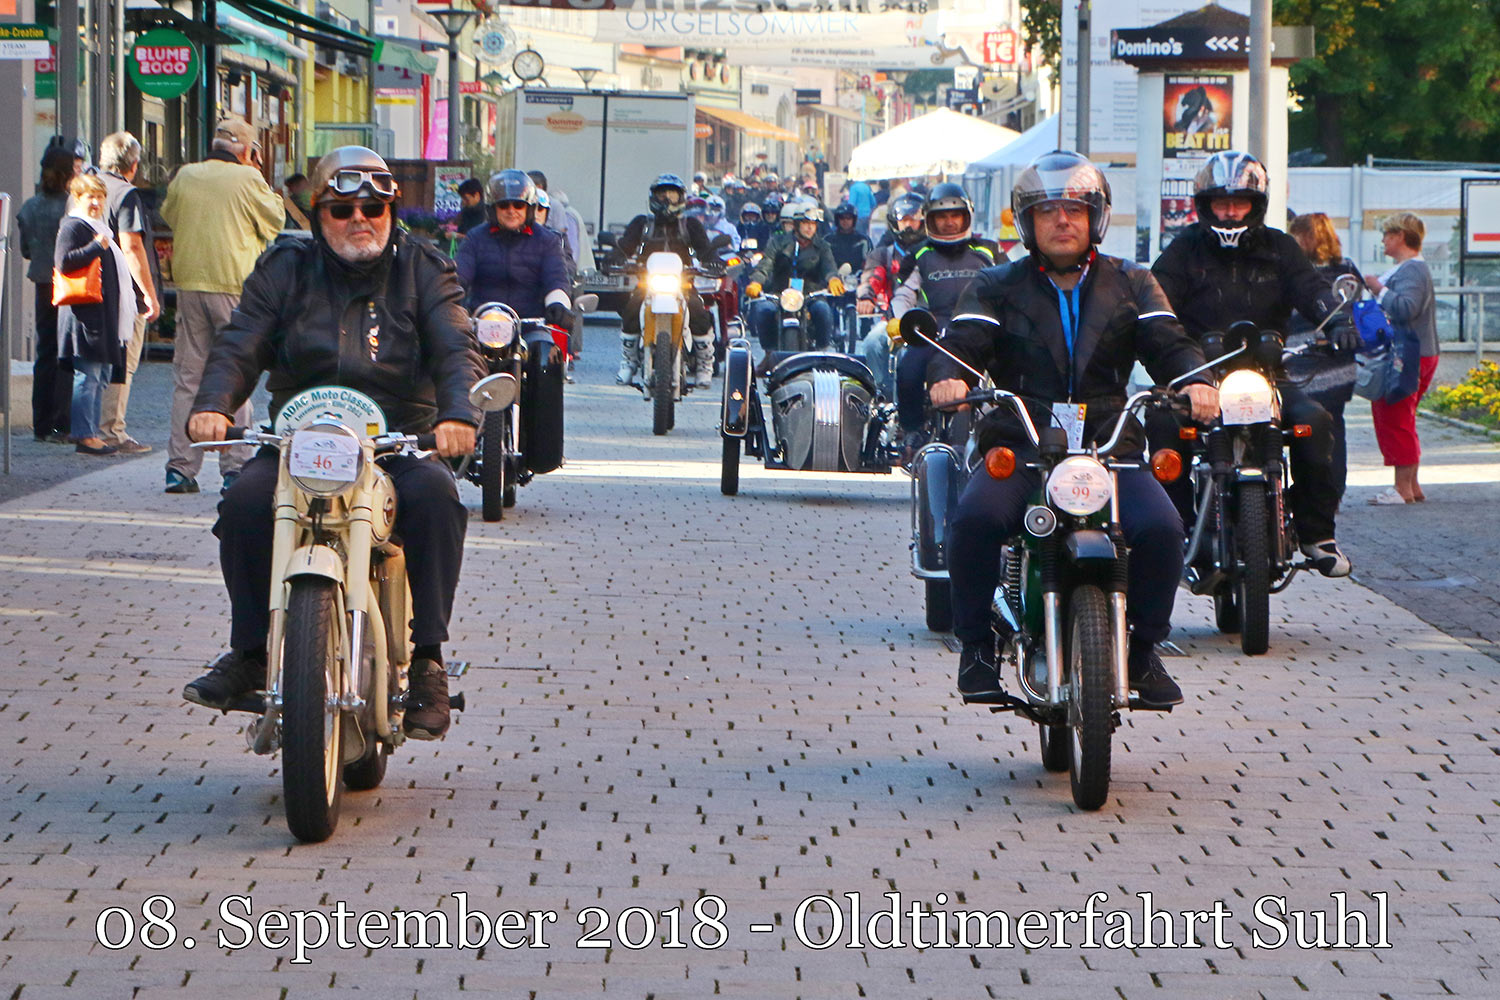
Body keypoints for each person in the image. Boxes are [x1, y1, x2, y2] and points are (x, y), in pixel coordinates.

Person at [183, 146, 484, 740]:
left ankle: (427, 661)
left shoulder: (425, 268)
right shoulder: (283, 267)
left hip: (400, 440)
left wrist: (456, 415)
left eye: (374, 207)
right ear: (318, 214)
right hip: (299, 440)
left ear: (391, 210)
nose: (359, 220)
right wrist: (213, 404)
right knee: (245, 503)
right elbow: (241, 341)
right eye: (343, 209)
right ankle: (248, 651)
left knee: (437, 501)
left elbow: (456, 347)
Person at [928, 150, 1218, 708]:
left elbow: (1170, 343)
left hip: (1109, 444)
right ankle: (976, 648)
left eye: (1074, 210)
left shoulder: (1134, 282)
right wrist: (949, 378)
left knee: (1162, 528)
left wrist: (1196, 383)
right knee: (976, 519)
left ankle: (1143, 650)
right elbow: (960, 345)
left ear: (1096, 218)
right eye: (1048, 211)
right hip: (1023, 439)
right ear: (1028, 222)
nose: (1062, 221)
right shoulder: (996, 284)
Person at [1150, 150, 1357, 578]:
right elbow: (1155, 301)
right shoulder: (1184, 249)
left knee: (1314, 422)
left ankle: (1316, 533)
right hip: (1199, 377)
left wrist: (1338, 322)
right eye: (1221, 203)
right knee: (1162, 426)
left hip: (1268, 373)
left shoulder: (1281, 248)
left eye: (1239, 202)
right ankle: (1177, 528)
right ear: (1204, 205)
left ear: (1256, 204)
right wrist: (1144, 336)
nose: (1229, 212)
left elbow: (1311, 288)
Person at [159, 116, 287, 495]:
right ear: (248, 151)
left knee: (189, 378)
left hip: (189, 286)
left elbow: (169, 215)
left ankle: (180, 469)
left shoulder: (186, 175)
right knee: (237, 375)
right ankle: (234, 469)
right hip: (234, 286)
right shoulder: (248, 179)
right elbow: (276, 220)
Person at [888, 183, 998, 459]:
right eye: (942, 217)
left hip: (980, 334)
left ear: (967, 216)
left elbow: (1011, 290)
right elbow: (905, 293)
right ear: (930, 220)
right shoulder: (920, 254)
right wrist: (900, 321)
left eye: (955, 215)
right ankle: (912, 428)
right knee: (908, 366)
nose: (949, 222)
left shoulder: (988, 251)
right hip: (932, 334)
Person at [55, 173, 140, 456]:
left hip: (101, 317)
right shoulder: (73, 226)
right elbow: (63, 263)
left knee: (100, 376)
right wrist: (96, 246)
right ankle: (84, 435)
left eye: (100, 196)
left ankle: (91, 432)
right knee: (88, 376)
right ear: (78, 198)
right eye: (90, 196)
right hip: (84, 316)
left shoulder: (100, 227)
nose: (96, 202)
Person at [610, 173, 719, 387]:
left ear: (681, 198)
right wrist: (614, 257)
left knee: (698, 311)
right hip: (647, 283)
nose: (667, 199)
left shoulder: (691, 226)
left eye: (672, 194)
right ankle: (629, 361)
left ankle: (705, 364)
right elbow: (624, 246)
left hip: (683, 284)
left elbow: (706, 251)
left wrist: (715, 262)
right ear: (653, 198)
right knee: (631, 308)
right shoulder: (643, 224)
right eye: (662, 195)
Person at [1288, 212, 1363, 503]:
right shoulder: (1346, 270)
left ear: (1305, 237)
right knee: (1335, 428)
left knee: (1304, 429)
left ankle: (1310, 491)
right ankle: (1335, 490)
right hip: (1341, 361)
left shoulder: (1300, 273)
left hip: (1303, 362)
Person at [1364, 212, 1439, 505]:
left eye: (1386, 234)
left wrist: (1378, 289)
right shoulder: (1410, 269)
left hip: (1407, 355)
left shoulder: (1412, 271)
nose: (1383, 239)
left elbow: (1407, 308)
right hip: (1416, 353)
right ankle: (1412, 486)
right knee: (1403, 418)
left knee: (1394, 418)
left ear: (1400, 237)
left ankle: (1401, 489)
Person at [95, 132, 161, 456]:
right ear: (133, 165)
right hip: (122, 292)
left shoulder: (86, 188)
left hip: (90, 286)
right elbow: (132, 246)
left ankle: (86, 428)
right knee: (123, 363)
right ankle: (112, 431)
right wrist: (149, 294)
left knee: (93, 360)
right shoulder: (127, 194)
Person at [454, 169, 574, 330]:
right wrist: (446, 297)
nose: (511, 211)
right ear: (493, 209)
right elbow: (459, 275)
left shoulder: (547, 241)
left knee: (546, 350)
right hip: (483, 326)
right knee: (456, 353)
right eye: (504, 205)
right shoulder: (475, 238)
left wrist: (557, 304)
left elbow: (556, 278)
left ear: (529, 209)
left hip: (531, 327)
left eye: (518, 205)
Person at [17, 146, 76, 443]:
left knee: (45, 351)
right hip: (69, 283)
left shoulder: (28, 208)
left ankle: (40, 423)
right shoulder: (71, 206)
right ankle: (62, 423)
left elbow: (26, 250)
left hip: (42, 282)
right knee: (66, 352)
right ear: (68, 175)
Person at [744, 201, 843, 352]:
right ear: (796, 224)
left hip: (811, 296)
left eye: (813, 224)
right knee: (763, 310)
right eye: (805, 223)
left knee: (823, 311)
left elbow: (829, 267)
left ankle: (822, 351)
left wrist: (833, 279)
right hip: (779, 295)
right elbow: (765, 265)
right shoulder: (777, 242)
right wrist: (756, 282)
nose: (810, 227)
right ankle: (769, 354)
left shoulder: (822, 246)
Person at [857, 193, 926, 397]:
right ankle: (881, 393)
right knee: (871, 342)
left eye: (913, 219)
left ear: (923, 221)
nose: (909, 224)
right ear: (894, 223)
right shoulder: (883, 253)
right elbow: (872, 276)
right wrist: (866, 297)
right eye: (904, 219)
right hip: (892, 320)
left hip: (930, 320)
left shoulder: (931, 251)